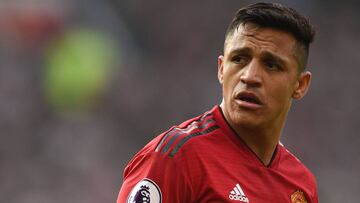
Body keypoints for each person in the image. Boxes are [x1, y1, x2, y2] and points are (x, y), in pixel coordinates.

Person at [117, 2, 318, 203]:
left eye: (271, 65)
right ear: (221, 69)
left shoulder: (300, 185)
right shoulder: (175, 158)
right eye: (239, 59)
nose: (249, 76)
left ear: (300, 84)